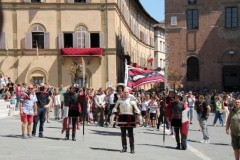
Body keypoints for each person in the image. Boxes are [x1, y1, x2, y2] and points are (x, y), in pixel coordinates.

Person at [110, 88, 141, 154]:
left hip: (130, 117)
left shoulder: (132, 101)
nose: (126, 93)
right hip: (122, 117)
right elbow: (115, 108)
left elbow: (137, 109)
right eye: (124, 92)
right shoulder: (119, 101)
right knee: (123, 134)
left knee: (130, 134)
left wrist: (139, 116)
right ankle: (124, 147)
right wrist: (113, 114)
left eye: (127, 92)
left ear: (128, 92)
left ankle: (132, 148)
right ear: (123, 93)